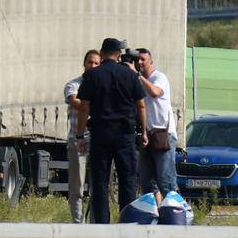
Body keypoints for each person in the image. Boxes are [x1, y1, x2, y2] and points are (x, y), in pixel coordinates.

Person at [75, 37, 148, 223]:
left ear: (101, 53)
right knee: (127, 179)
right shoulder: (131, 76)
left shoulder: (92, 76)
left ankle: (101, 224)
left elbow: (84, 107)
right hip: (125, 135)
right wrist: (144, 132)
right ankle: (128, 221)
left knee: (100, 181)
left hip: (101, 134)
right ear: (118, 55)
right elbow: (141, 106)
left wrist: (79, 133)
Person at [134, 47, 178, 199]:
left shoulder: (159, 77)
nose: (139, 62)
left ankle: (175, 215)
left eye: (143, 59)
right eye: (137, 59)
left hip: (163, 135)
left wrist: (140, 77)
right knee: (147, 183)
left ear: (151, 61)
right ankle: (155, 214)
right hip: (147, 134)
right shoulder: (138, 81)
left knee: (166, 181)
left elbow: (155, 92)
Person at [64, 49, 101, 224]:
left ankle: (94, 222)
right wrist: (98, 106)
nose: (92, 66)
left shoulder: (102, 85)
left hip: (98, 141)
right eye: (90, 62)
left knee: (97, 186)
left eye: (96, 63)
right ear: (84, 64)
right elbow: (75, 101)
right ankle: (78, 223)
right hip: (77, 141)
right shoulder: (74, 84)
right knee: (77, 186)